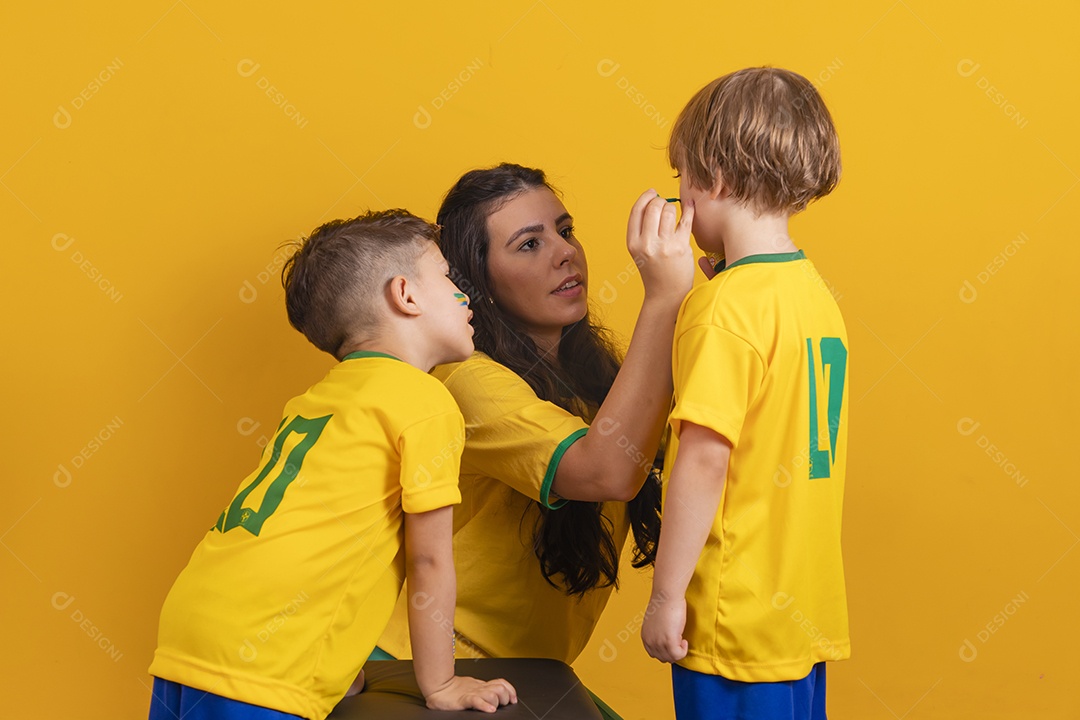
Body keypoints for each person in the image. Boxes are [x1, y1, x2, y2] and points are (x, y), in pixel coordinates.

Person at [147, 210, 516, 720]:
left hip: (192, 627)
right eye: (449, 279)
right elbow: (428, 562)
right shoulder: (424, 403)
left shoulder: (316, 400)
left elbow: (320, 534)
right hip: (265, 653)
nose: (465, 296)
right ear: (405, 295)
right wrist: (442, 683)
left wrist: (333, 661)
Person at [373, 164, 695, 717]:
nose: (564, 252)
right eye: (528, 244)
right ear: (479, 284)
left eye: (564, 231)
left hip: (522, 677)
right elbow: (606, 472)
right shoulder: (465, 381)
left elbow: (700, 454)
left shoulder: (599, 380)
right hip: (423, 669)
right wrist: (664, 298)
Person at [640, 67, 850, 720]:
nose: (679, 197)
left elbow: (705, 458)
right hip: (798, 614)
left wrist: (666, 598)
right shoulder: (812, 293)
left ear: (716, 178)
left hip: (734, 618)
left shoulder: (722, 308)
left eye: (683, 178)